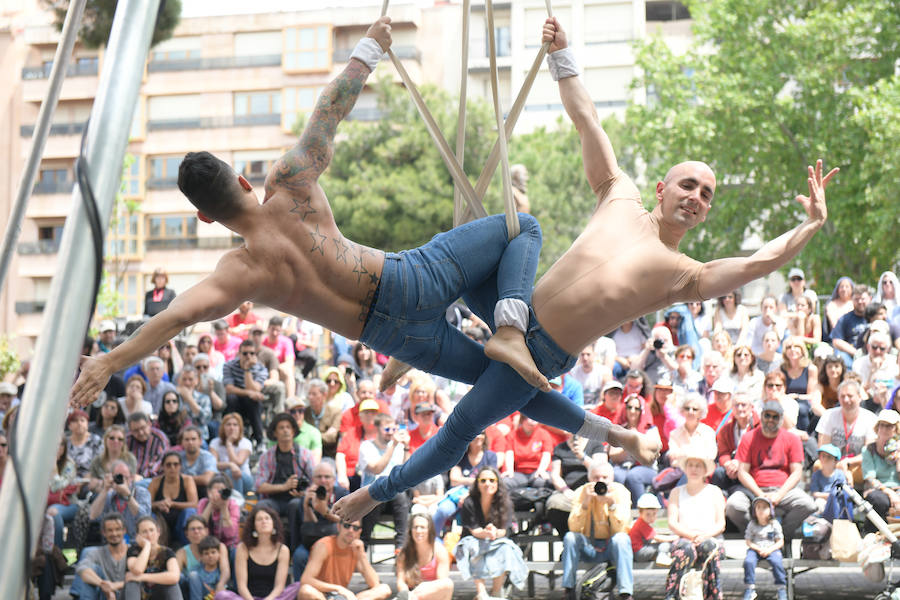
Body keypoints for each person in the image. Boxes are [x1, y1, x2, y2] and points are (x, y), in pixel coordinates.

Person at [73, 14, 834, 523]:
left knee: (487, 393)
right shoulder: (290, 184)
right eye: (690, 185)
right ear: (241, 182)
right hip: (415, 293)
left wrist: (109, 360)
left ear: (207, 217)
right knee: (521, 228)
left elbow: (172, 320)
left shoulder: (234, 277)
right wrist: (373, 45)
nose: (697, 198)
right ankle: (525, 363)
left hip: (412, 330)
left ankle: (502, 396)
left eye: (706, 192)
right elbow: (332, 110)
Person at [725, 400, 816, 540]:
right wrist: (760, 494)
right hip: (754, 490)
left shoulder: (792, 439)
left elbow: (797, 472)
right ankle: (754, 534)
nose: (770, 420)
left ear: (781, 419)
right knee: (733, 505)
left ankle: (780, 536)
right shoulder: (749, 438)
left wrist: (779, 495)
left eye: (775, 417)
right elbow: (743, 472)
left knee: (807, 504)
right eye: (767, 415)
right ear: (761, 416)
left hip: (783, 490)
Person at [561, 460, 634, 600]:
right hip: (589, 546)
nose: (600, 481)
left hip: (611, 547)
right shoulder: (582, 492)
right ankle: (568, 590)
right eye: (596, 478)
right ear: (589, 479)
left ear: (611, 478)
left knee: (622, 539)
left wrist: (612, 504)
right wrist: (585, 504)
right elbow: (574, 527)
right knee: (570, 537)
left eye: (605, 478)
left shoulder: (621, 492)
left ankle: (626, 593)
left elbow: (622, 528)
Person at [454, 466, 528, 600]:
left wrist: (494, 532)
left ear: (497, 483)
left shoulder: (505, 503)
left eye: (491, 480)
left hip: (495, 538)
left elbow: (503, 530)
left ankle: (495, 591)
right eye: (483, 480)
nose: (487, 484)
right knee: (474, 547)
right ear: (477, 483)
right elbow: (474, 531)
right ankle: (481, 592)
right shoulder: (469, 502)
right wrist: (487, 533)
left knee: (506, 548)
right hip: (473, 538)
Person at [664, 447, 726, 600]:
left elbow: (720, 524)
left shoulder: (715, 491)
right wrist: (692, 536)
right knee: (686, 549)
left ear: (705, 470)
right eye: (691, 465)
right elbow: (672, 522)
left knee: (710, 547)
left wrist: (704, 536)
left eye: (698, 465)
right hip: (684, 539)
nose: (694, 469)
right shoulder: (676, 492)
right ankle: (672, 595)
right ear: (685, 468)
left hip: (709, 538)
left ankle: (713, 595)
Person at [255, 412, 316, 549]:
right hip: (274, 500)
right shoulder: (267, 456)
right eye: (281, 428)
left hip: (297, 499)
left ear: (294, 431)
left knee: (295, 505)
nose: (285, 430)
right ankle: (265, 549)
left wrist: (304, 493)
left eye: (288, 427)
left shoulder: (305, 455)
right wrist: (284, 486)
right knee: (261, 507)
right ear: (275, 433)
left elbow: (315, 482)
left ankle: (293, 550)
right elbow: (259, 485)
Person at [215, 505, 301, 600]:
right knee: (222, 595)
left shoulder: (283, 550)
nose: (264, 521)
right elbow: (241, 586)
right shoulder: (243, 548)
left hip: (273, 598)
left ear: (274, 523)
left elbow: (279, 587)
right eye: (259, 519)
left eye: (267, 518)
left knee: (298, 586)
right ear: (254, 526)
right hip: (248, 598)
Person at [358, 412, 410, 549]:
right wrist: (393, 446)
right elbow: (377, 469)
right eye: (387, 429)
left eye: (394, 429)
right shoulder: (366, 446)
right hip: (371, 497)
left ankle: (401, 549)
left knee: (401, 496)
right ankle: (362, 548)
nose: (391, 433)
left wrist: (406, 447)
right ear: (377, 429)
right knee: (377, 493)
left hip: (394, 497)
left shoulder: (398, 447)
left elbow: (406, 473)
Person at [290, 460, 349, 580]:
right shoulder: (309, 494)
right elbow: (308, 525)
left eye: (327, 477)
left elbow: (346, 522)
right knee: (299, 555)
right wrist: (307, 506)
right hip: (312, 539)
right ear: (313, 479)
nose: (323, 480)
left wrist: (325, 511)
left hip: (335, 540)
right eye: (319, 477)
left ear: (334, 479)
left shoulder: (342, 494)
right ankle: (301, 591)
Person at [815, 379, 878, 486]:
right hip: (832, 462)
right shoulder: (828, 416)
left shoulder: (870, 418)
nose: (846, 400)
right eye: (842, 396)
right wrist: (837, 464)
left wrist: (848, 462)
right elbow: (823, 448)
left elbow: (869, 452)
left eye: (850, 396)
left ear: (859, 396)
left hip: (857, 464)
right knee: (818, 465)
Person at [611, 394, 660, 505]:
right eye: (629, 407)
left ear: (641, 410)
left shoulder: (650, 429)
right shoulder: (619, 429)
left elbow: (651, 456)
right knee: (616, 475)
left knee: (633, 476)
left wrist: (636, 441)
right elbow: (613, 456)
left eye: (637, 408)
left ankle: (641, 510)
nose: (632, 411)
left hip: (646, 468)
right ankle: (620, 513)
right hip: (624, 467)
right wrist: (627, 445)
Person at [70, 513, 129, 600]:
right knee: (92, 570)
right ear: (103, 533)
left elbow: (140, 579)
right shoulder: (97, 552)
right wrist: (103, 584)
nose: (114, 533)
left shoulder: (133, 552)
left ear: (124, 531)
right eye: (110, 530)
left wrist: (114, 586)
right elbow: (82, 569)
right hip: (105, 596)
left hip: (129, 595)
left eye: (118, 529)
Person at [395, 513, 454, 600]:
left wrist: (422, 588)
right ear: (410, 530)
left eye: (422, 527)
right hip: (410, 595)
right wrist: (406, 594)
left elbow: (442, 583)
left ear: (429, 530)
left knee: (448, 583)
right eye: (415, 527)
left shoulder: (439, 550)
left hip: (432, 596)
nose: (418, 531)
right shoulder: (404, 553)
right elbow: (401, 582)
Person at [89, 459, 152, 539]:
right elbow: (92, 516)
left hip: (137, 541)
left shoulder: (141, 492)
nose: (121, 480)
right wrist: (105, 490)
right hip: (113, 542)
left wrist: (128, 495)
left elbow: (144, 518)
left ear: (132, 477)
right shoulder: (109, 495)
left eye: (125, 477)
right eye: (118, 477)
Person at [223, 339, 268, 447]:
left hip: (252, 403)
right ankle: (230, 437)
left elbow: (255, 390)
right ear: (239, 354)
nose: (248, 356)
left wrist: (247, 370)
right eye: (245, 353)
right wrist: (249, 393)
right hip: (235, 401)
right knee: (231, 398)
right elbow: (229, 388)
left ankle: (259, 440)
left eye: (252, 353)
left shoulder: (261, 368)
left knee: (253, 401)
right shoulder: (229, 365)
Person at [148, 451, 199, 548]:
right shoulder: (156, 482)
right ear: (162, 467)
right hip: (161, 524)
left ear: (180, 466)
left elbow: (194, 504)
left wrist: (172, 504)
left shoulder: (187, 480)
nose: (172, 468)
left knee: (190, 511)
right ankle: (154, 548)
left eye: (176, 464)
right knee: (150, 515)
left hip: (180, 525)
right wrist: (158, 504)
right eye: (168, 465)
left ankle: (188, 547)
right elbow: (145, 505)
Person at [125, 515, 181, 599]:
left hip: (157, 594)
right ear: (138, 536)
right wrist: (147, 546)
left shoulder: (167, 552)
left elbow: (174, 576)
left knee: (172, 584)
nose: (149, 535)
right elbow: (137, 570)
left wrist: (142, 577)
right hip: (138, 593)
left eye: (151, 530)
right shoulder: (133, 550)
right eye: (144, 532)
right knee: (132, 583)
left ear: (158, 532)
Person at [712, 395, 759, 494]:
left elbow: (759, 452)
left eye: (743, 405)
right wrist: (728, 464)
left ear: (751, 407)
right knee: (718, 473)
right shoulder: (726, 429)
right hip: (731, 468)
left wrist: (740, 464)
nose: (740, 408)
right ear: (732, 408)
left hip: (751, 467)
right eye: (736, 405)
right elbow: (723, 452)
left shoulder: (759, 428)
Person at [860, 410, 900, 528]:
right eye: (882, 425)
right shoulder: (869, 450)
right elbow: (870, 479)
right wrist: (890, 493)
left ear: (896, 429)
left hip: (898, 488)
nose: (884, 429)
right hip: (878, 490)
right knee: (879, 500)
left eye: (889, 426)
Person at [742, 496, 787, 600]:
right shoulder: (752, 524)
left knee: (777, 562)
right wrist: (757, 549)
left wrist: (769, 550)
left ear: (770, 510)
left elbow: (780, 541)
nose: (761, 510)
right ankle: (750, 588)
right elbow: (748, 541)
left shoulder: (774, 524)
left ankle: (781, 588)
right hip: (755, 549)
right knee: (748, 561)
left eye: (764, 507)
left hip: (771, 549)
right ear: (754, 511)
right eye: (758, 507)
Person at [176, 516, 230, 597]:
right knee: (187, 576)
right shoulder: (182, 553)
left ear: (206, 531)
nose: (196, 532)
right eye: (192, 529)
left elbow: (225, 570)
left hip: (213, 590)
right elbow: (175, 576)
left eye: (200, 528)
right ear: (186, 534)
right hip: (189, 590)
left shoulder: (219, 547)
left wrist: (221, 585)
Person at [780, 336, 821, 434]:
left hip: (803, 401)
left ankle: (805, 437)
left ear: (802, 350)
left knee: (801, 409)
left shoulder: (811, 369)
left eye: (796, 347)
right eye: (789, 347)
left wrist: (796, 396)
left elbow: (811, 394)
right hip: (785, 401)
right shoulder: (781, 369)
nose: (792, 350)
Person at [209, 412, 254, 495]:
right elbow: (213, 464)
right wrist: (230, 465)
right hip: (221, 478)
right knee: (229, 471)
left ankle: (237, 502)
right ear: (223, 427)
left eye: (235, 425)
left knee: (233, 472)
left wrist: (229, 444)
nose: (232, 428)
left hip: (244, 478)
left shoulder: (245, 442)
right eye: (228, 425)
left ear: (240, 428)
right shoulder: (215, 443)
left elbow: (237, 464)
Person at [90, 425, 139, 495]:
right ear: (105, 440)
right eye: (112, 438)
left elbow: (132, 481)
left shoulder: (130, 459)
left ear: (124, 443)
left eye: (120, 439)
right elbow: (92, 485)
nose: (116, 441)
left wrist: (101, 483)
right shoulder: (97, 461)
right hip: (101, 496)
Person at [831, 285, 873, 365]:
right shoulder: (844, 319)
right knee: (841, 357)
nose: (860, 302)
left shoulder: (876, 316)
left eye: (863, 299)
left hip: (875, 352)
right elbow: (836, 341)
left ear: (870, 299)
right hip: (851, 355)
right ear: (851, 300)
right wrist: (856, 353)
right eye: (857, 299)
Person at [629, 493, 675, 563]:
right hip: (639, 552)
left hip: (638, 552)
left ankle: (659, 556)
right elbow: (657, 538)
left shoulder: (642, 522)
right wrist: (674, 538)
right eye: (648, 514)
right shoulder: (642, 524)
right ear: (640, 513)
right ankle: (662, 557)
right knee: (665, 545)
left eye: (654, 514)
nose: (651, 517)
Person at [198, 476, 241, 550]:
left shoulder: (232, 505)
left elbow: (230, 534)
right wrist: (211, 504)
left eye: (222, 491)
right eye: (217, 491)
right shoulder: (203, 503)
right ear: (209, 491)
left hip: (228, 546)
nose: (219, 494)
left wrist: (224, 508)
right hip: (207, 545)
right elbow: (200, 527)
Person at [126, 412, 169, 482]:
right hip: (130, 479)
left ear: (149, 424)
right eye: (136, 430)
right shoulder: (127, 440)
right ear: (130, 430)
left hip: (153, 479)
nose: (140, 432)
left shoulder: (160, 438)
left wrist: (142, 476)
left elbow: (160, 462)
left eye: (143, 428)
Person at [179, 426, 218, 494]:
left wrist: (182, 478)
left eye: (193, 439)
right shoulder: (178, 457)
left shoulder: (208, 457)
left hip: (204, 492)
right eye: (187, 439)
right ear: (182, 442)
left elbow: (207, 479)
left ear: (200, 441)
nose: (190, 442)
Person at [809, 444, 847, 513]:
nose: (825, 459)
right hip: (821, 501)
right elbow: (814, 493)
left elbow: (841, 491)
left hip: (836, 501)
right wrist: (829, 495)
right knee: (818, 503)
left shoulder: (840, 475)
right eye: (823, 456)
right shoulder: (816, 475)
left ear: (835, 461)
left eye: (829, 457)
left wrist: (832, 496)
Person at [67, 408, 103, 479]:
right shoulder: (65, 442)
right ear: (69, 426)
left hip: (90, 479)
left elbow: (100, 464)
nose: (79, 423)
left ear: (87, 424)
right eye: (75, 421)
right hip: (67, 479)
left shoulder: (96, 440)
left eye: (82, 420)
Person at [285, 396, 323, 462]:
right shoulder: (278, 431)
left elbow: (315, 461)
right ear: (286, 412)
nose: (297, 414)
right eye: (293, 411)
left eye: (300, 411)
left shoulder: (313, 432)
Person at [188, 535, 225, 600]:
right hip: (196, 595)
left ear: (219, 554)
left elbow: (221, 590)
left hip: (212, 597)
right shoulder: (196, 570)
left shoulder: (220, 571)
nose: (210, 556)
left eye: (213, 552)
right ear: (201, 556)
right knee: (193, 575)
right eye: (206, 553)